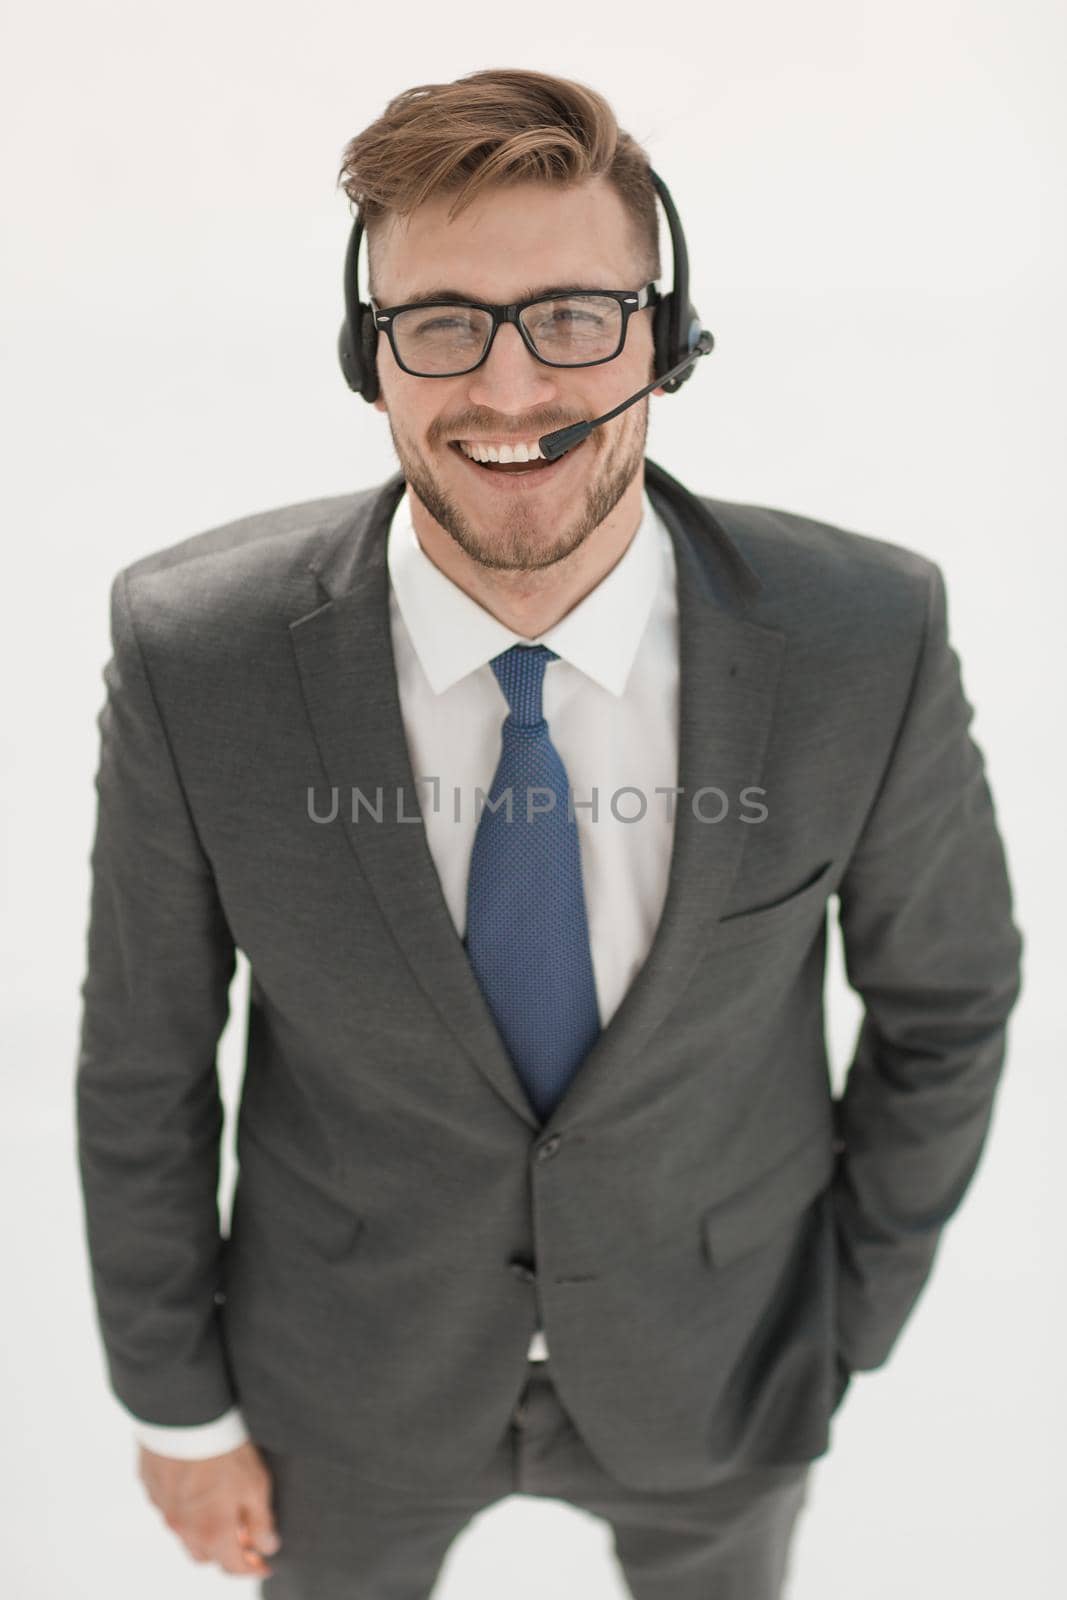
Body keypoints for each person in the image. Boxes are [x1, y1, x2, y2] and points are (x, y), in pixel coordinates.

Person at [75, 68, 1023, 1599]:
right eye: (441, 322)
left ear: (668, 335)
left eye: (576, 315)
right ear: (364, 356)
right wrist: (174, 1404)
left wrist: (839, 1326)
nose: (510, 391)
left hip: (725, 1373)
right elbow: (144, 1057)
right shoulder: (199, 653)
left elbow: (949, 1002)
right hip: (343, 1378)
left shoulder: (867, 634)